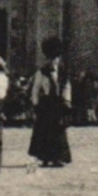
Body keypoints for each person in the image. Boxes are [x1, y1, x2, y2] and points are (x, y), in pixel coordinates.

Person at [28, 37, 72, 167]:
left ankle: (58, 157)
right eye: (51, 58)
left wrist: (67, 100)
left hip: (58, 104)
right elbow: (35, 89)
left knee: (58, 131)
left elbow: (67, 87)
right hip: (46, 105)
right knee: (44, 132)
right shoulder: (41, 73)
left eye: (56, 58)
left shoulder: (63, 73)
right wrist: (35, 104)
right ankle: (45, 157)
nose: (54, 61)